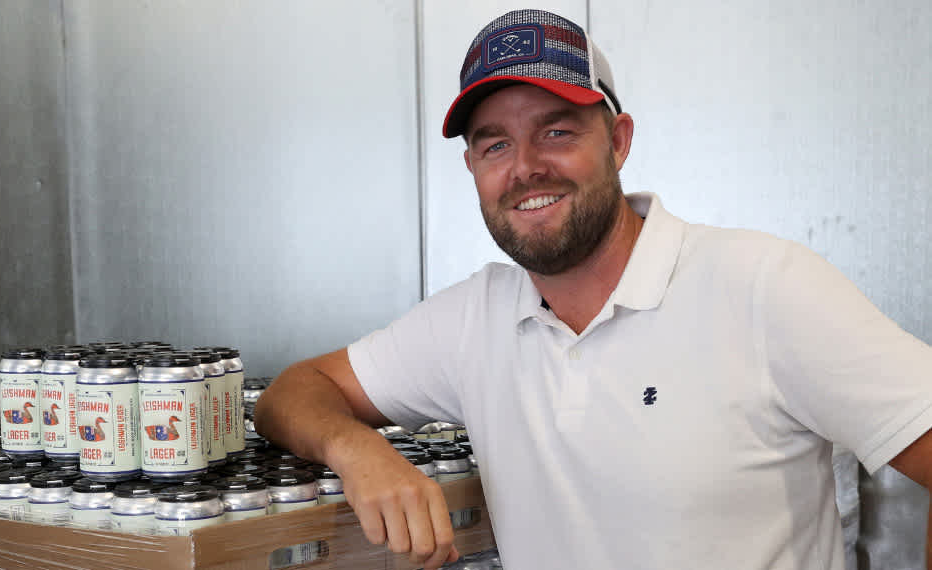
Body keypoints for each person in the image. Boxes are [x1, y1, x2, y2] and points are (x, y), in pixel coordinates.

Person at [255, 9, 932, 570]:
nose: (525, 168)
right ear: (472, 168)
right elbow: (293, 392)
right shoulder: (474, 319)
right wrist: (357, 450)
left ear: (617, 141)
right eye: (495, 145)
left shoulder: (762, 288)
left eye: (556, 131)